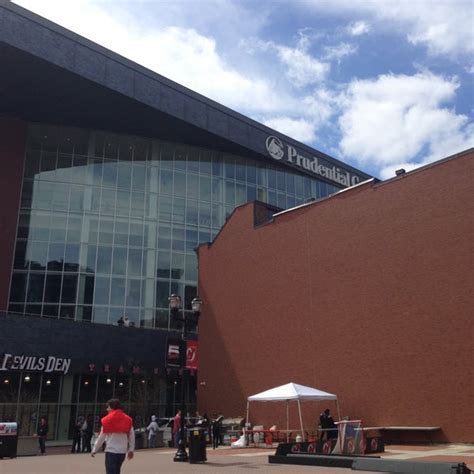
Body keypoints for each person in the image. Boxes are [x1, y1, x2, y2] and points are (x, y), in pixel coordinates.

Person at [91, 399, 134, 474]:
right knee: (117, 471)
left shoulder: (107, 420)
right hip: (122, 451)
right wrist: (131, 449)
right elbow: (131, 435)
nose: (107, 409)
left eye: (108, 407)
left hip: (111, 450)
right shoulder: (128, 419)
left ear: (112, 407)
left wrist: (95, 449)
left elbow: (102, 437)